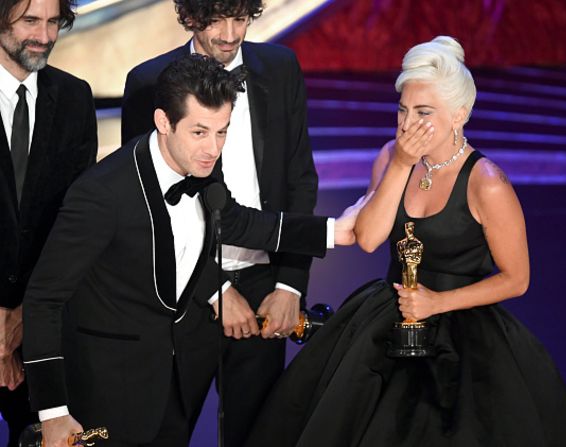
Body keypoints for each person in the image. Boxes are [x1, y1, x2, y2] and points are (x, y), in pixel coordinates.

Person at [245, 36, 566, 446]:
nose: (408, 124)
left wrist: (438, 302)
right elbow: (371, 238)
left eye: (423, 113)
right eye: (402, 110)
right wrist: (401, 165)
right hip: (386, 317)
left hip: (464, 330)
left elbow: (517, 279)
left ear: (459, 115)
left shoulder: (488, 183)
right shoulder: (392, 155)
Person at [21, 54, 360, 447]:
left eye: (222, 132)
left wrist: (335, 232)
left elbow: (236, 221)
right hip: (106, 390)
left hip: (173, 384)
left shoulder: (201, 165)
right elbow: (44, 299)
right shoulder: (100, 195)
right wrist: (53, 413)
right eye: (200, 132)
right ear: (164, 122)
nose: (213, 148)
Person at [122, 1, 319, 444]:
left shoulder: (281, 67)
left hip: (266, 288)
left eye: (241, 18)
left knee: (258, 434)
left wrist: (290, 285)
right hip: (184, 292)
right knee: (162, 432)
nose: (231, 34)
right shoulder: (148, 83)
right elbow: (149, 208)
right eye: (216, 19)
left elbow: (300, 180)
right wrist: (214, 289)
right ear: (190, 16)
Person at [0, 0, 97, 444]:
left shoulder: (75, 98)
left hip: (44, 330)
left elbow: (74, 225)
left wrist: (24, 316)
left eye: (54, 21)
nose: (44, 35)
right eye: (30, 21)